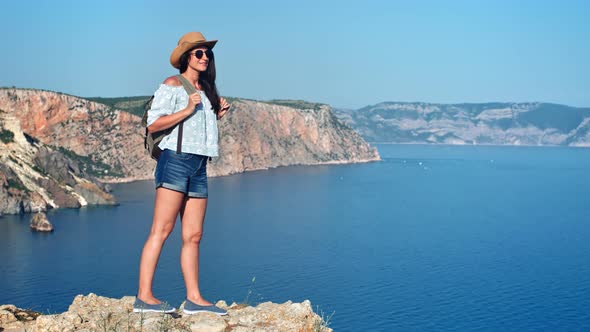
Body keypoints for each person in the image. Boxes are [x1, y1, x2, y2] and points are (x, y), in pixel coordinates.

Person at [133, 32, 231, 315]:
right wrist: (189, 108)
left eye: (207, 54)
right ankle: (144, 296)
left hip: (199, 165)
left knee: (194, 234)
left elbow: (196, 133)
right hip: (174, 162)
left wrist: (216, 116)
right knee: (161, 230)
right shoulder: (173, 84)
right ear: (186, 57)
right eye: (198, 53)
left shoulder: (206, 90)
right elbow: (154, 125)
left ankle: (194, 299)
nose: (204, 58)